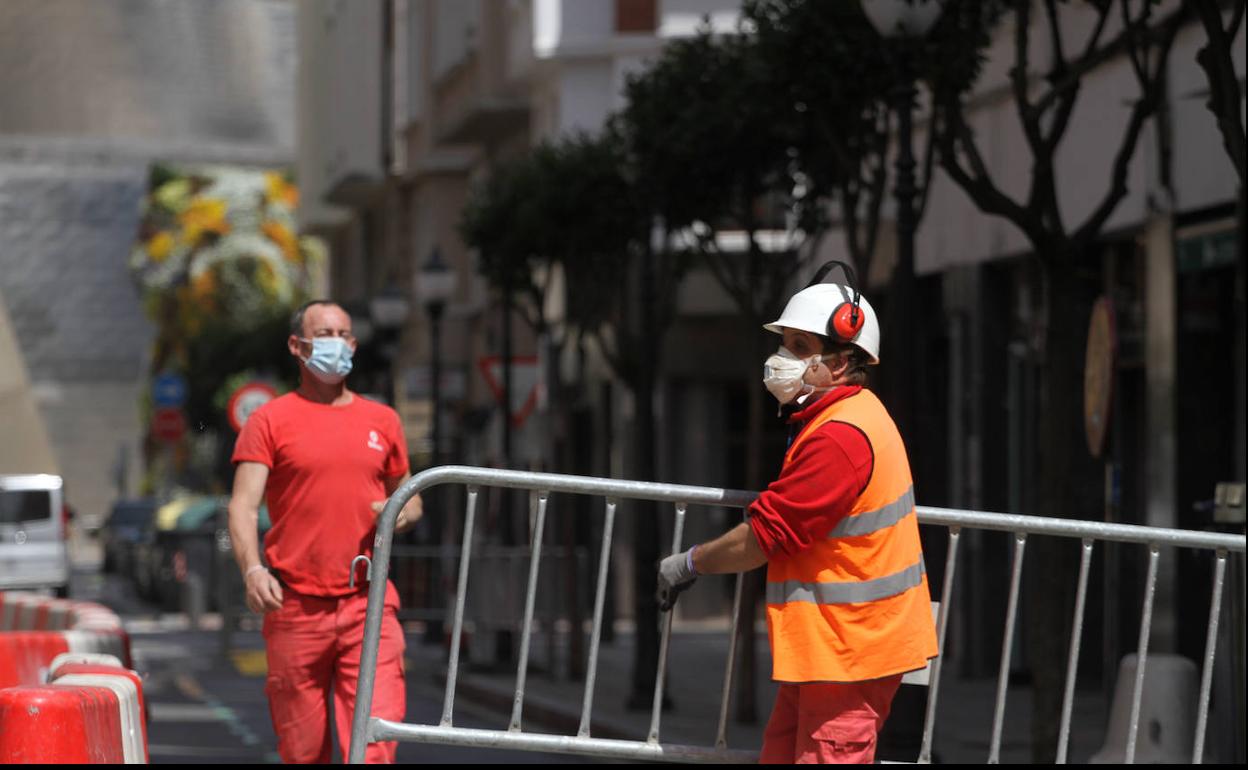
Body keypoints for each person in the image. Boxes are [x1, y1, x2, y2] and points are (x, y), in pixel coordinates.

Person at [657, 263, 938, 764]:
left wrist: (690, 562)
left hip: (851, 653)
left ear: (843, 361)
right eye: (783, 344)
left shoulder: (840, 437)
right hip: (831, 650)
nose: (783, 359)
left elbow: (766, 536)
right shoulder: (835, 420)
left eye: (801, 349)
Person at [227, 299, 423, 764]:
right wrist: (253, 570)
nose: (336, 344)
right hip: (295, 607)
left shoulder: (383, 421)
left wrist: (400, 512)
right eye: (325, 334)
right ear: (298, 346)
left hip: (368, 604)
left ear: (354, 344)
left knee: (376, 745)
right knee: (302, 751)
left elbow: (410, 496)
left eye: (343, 335)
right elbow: (242, 504)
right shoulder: (269, 421)